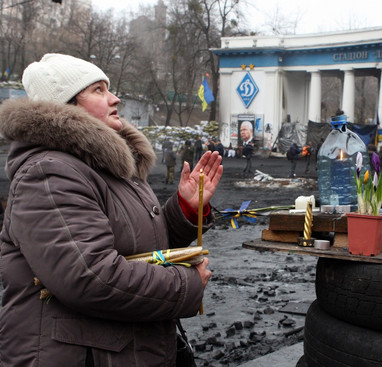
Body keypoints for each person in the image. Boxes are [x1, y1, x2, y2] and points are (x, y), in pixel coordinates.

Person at [0, 53, 223, 366]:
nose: (115, 98)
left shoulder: (106, 168)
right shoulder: (48, 174)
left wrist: (184, 209)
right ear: (66, 107)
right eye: (99, 90)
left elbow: (141, 250)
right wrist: (185, 285)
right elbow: (90, 277)